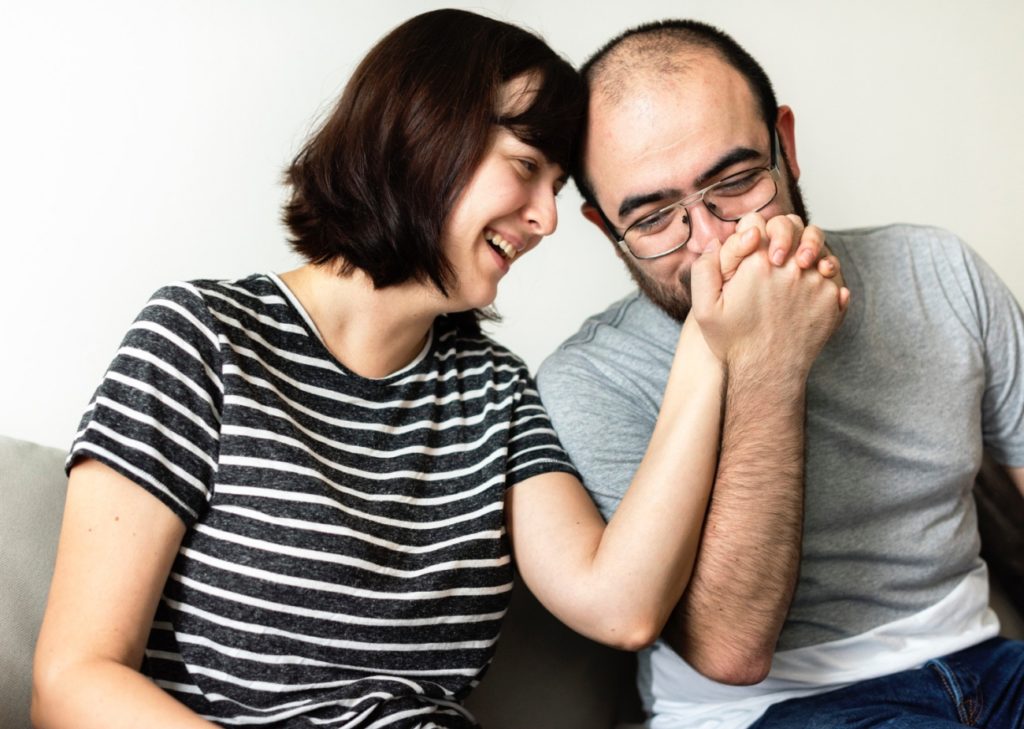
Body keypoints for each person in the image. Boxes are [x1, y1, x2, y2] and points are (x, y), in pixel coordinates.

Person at [30, 10, 844, 729]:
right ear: (423, 131)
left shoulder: (494, 391)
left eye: (558, 187)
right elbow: (74, 680)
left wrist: (711, 335)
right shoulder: (200, 338)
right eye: (527, 167)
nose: (548, 218)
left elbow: (622, 604)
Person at [537, 18, 1024, 729]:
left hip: (985, 663)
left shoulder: (938, 271)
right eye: (654, 219)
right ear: (605, 228)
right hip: (771, 707)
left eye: (735, 182)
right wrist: (769, 364)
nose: (711, 241)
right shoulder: (590, 379)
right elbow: (731, 650)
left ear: (785, 147)